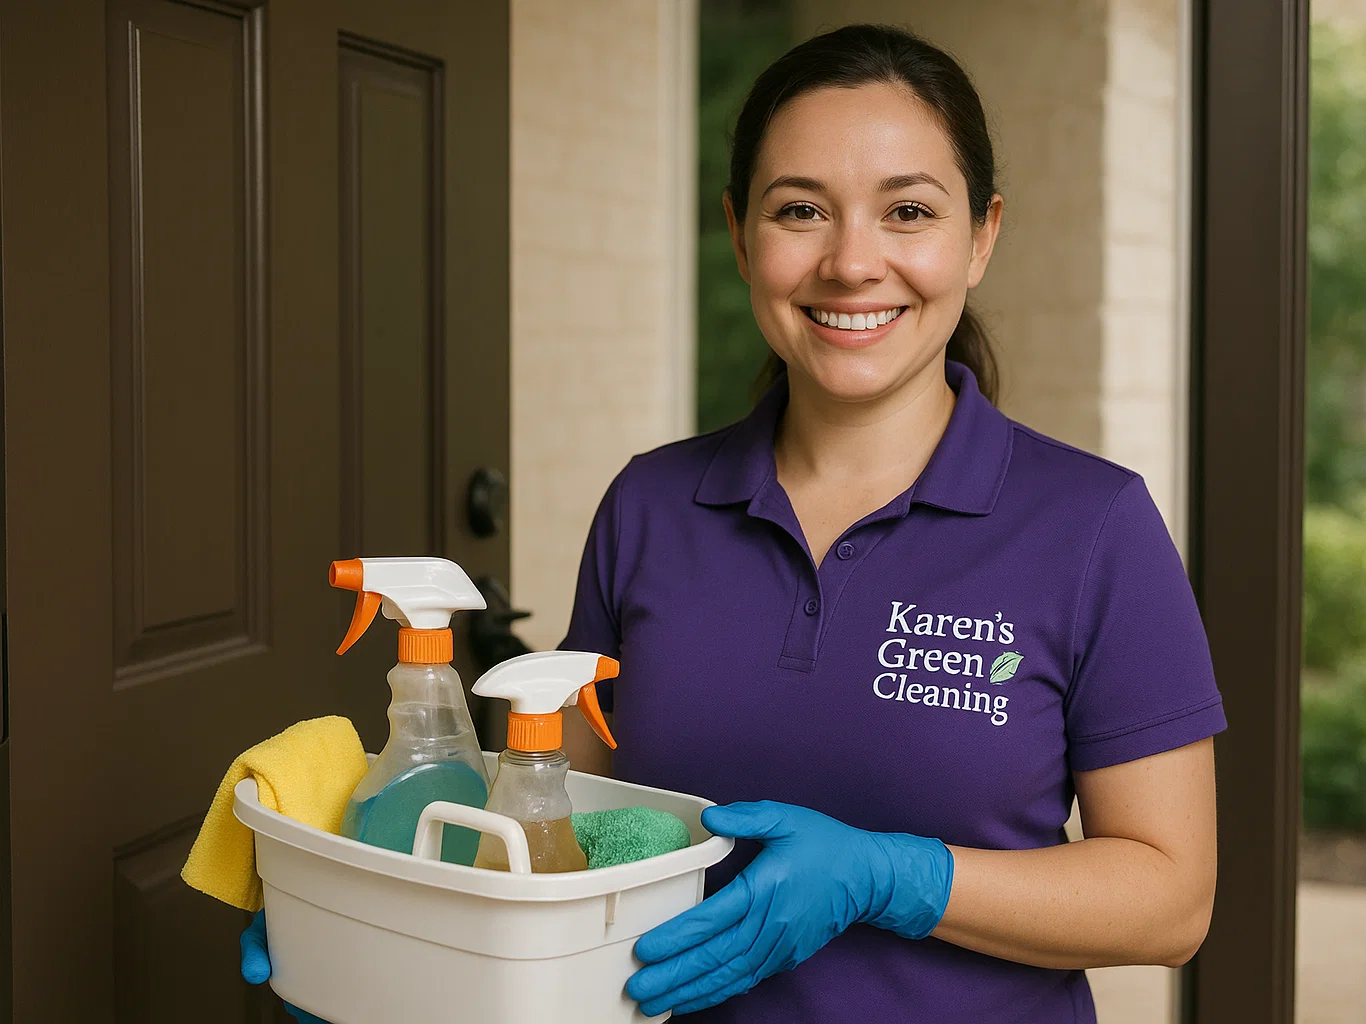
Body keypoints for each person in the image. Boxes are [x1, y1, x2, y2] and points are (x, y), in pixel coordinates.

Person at [242, 23, 1224, 1023]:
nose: (852, 262)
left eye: (908, 211)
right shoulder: (651, 507)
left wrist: (895, 877)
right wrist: (376, 925)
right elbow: (554, 836)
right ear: (740, 233)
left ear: (981, 235)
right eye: (801, 209)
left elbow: (1171, 899)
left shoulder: (1092, 526)